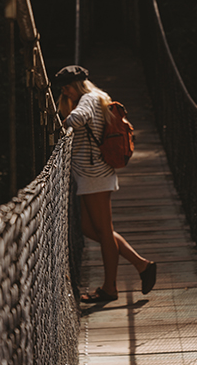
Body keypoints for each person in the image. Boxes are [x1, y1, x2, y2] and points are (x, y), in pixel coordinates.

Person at [55, 65, 157, 303]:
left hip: (94, 174)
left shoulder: (88, 99)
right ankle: (142, 265)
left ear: (77, 86)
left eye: (67, 87)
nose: (66, 92)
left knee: (103, 231)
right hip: (91, 174)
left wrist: (64, 117)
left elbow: (77, 120)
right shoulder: (95, 97)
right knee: (92, 230)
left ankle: (110, 288)